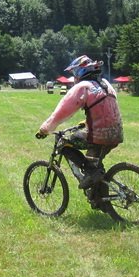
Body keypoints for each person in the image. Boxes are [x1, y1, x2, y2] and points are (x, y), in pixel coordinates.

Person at [36, 55, 123, 189]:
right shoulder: (106, 84)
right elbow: (106, 110)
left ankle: (93, 173)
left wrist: (45, 129)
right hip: (117, 133)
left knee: (63, 143)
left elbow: (61, 112)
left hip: (98, 135)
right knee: (94, 162)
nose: (74, 77)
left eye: (74, 73)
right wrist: (87, 122)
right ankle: (100, 198)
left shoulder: (83, 86)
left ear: (79, 71)